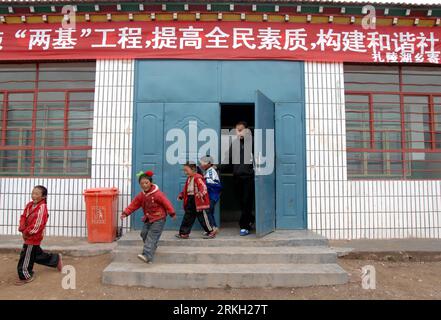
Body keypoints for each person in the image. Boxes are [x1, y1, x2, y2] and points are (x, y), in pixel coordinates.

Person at [121, 170, 176, 263]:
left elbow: (166, 203)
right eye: (142, 183)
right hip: (148, 219)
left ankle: (147, 255)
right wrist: (126, 213)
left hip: (159, 219)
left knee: (151, 236)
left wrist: (172, 213)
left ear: (151, 183)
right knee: (144, 234)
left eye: (146, 183)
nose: (144, 185)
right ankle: (152, 246)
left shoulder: (158, 194)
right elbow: (134, 205)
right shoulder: (141, 195)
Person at [16, 185, 63, 285]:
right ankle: (56, 259)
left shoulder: (42, 208)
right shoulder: (29, 205)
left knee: (25, 257)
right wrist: (22, 227)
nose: (33, 195)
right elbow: (23, 216)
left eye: (37, 194)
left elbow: (38, 225)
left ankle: (25, 276)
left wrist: (26, 232)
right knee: (36, 255)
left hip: (33, 236)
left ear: (43, 197)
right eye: (33, 193)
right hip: (27, 234)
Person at [225, 121, 255, 236]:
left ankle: (244, 226)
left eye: (241, 129)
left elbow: (260, 158)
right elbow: (228, 160)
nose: (238, 132)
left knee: (247, 202)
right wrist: (215, 166)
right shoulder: (235, 144)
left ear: (247, 130)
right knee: (241, 202)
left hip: (248, 178)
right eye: (237, 130)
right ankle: (251, 218)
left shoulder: (253, 143)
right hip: (237, 178)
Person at [176, 162, 216, 239]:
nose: (185, 172)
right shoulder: (189, 178)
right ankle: (184, 233)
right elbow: (186, 190)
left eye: (186, 170)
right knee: (188, 217)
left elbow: (204, 187)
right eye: (184, 170)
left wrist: (201, 193)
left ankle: (211, 232)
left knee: (203, 218)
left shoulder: (198, 177)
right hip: (191, 200)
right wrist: (181, 195)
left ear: (193, 169)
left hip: (199, 201)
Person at [199, 155, 222, 234]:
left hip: (212, 195)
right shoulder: (208, 171)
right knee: (209, 212)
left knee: (208, 211)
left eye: (203, 163)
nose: (201, 164)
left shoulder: (211, 171)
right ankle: (213, 228)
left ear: (209, 163)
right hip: (211, 195)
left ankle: (212, 229)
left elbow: (211, 183)